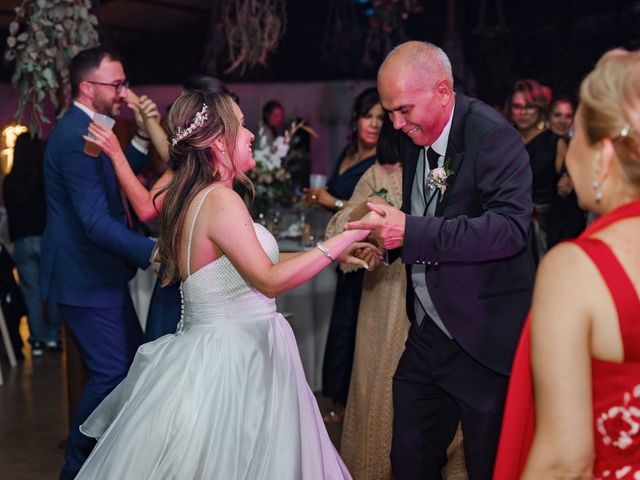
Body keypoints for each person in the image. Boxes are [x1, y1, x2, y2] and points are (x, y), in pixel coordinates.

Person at [74, 89, 379, 479]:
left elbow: (249, 264)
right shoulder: (220, 200)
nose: (251, 134)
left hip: (223, 348)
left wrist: (330, 255)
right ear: (219, 142)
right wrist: (347, 236)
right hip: (237, 359)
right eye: (242, 125)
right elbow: (268, 281)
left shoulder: (198, 197)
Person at [345, 41, 534, 479]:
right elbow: (426, 213)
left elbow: (509, 229)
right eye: (389, 111)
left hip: (483, 338)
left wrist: (411, 232)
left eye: (404, 109)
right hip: (428, 335)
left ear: (444, 92)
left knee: (491, 467)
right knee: (409, 460)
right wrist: (387, 242)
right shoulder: (415, 135)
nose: (395, 123)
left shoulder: (493, 137)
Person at [494, 48, 640, 480]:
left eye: (576, 133)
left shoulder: (578, 270)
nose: (568, 148)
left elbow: (565, 461)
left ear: (605, 154)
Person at [328, 117, 466, 479]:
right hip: (387, 295)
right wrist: (366, 219)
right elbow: (340, 224)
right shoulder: (379, 172)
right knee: (383, 386)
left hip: (439, 294)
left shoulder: (445, 166)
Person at [40, 46, 156, 479]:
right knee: (111, 373)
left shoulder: (94, 127)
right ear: (88, 88)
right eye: (117, 84)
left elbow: (113, 181)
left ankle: (110, 461)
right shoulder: (73, 136)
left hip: (101, 273)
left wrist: (142, 138)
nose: (124, 92)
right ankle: (76, 468)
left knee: (132, 365)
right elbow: (93, 221)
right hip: (83, 276)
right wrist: (153, 252)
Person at [101, 76, 234, 341]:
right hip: (211, 279)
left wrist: (116, 154)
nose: (176, 110)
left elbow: (145, 208)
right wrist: (144, 115)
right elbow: (171, 151)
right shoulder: (221, 157)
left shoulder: (195, 164)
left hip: (184, 279)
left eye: (183, 103)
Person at [303, 87, 383, 423]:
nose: (375, 124)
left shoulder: (381, 162)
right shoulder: (348, 153)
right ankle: (335, 398)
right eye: (369, 116)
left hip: (362, 249)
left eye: (381, 118)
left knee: (352, 326)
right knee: (340, 323)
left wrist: (330, 202)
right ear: (356, 118)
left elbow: (370, 207)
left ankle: (349, 404)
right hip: (340, 245)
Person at [3, 133, 61, 356]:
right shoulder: (45, 178)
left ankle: (36, 340)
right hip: (46, 240)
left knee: (31, 293)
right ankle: (53, 337)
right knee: (53, 290)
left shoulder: (9, 182)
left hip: (21, 243)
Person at [508, 79, 568, 261]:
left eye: (529, 106)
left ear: (540, 110)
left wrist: (567, 181)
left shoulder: (554, 142)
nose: (523, 112)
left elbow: (567, 181)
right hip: (508, 228)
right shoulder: (503, 140)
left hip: (547, 228)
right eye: (517, 106)